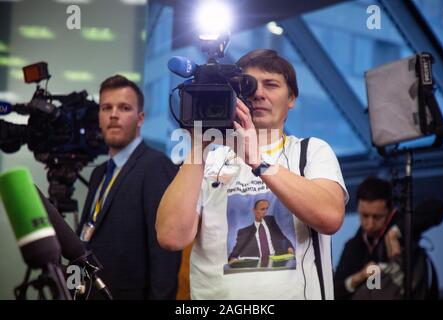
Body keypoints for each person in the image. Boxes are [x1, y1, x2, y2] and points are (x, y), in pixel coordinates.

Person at [157, 49, 348, 299]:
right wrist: (198, 146)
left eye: (271, 85)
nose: (258, 94)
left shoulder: (310, 151)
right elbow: (171, 237)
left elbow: (330, 217)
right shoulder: (208, 160)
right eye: (247, 86)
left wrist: (259, 162)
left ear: (292, 97)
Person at [77, 75, 181, 299]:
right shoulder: (99, 173)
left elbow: (163, 255)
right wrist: (70, 289)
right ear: (99, 116)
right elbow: (84, 243)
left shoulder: (155, 167)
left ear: (140, 118)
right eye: (106, 108)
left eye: (124, 108)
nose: (114, 114)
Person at [334, 176, 443, 300]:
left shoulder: (406, 227)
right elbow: (335, 290)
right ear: (358, 209)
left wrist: (396, 231)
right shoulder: (353, 246)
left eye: (377, 217)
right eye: (364, 215)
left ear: (390, 212)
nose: (370, 224)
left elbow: (439, 206)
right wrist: (358, 278)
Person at [228, 199, 294, 263]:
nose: (265, 211)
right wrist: (232, 258)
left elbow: (281, 237)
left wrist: (289, 247)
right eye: (262, 209)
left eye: (266, 208)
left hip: (276, 260)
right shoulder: (245, 232)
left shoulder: (271, 221)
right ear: (254, 211)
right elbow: (237, 250)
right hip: (257, 264)